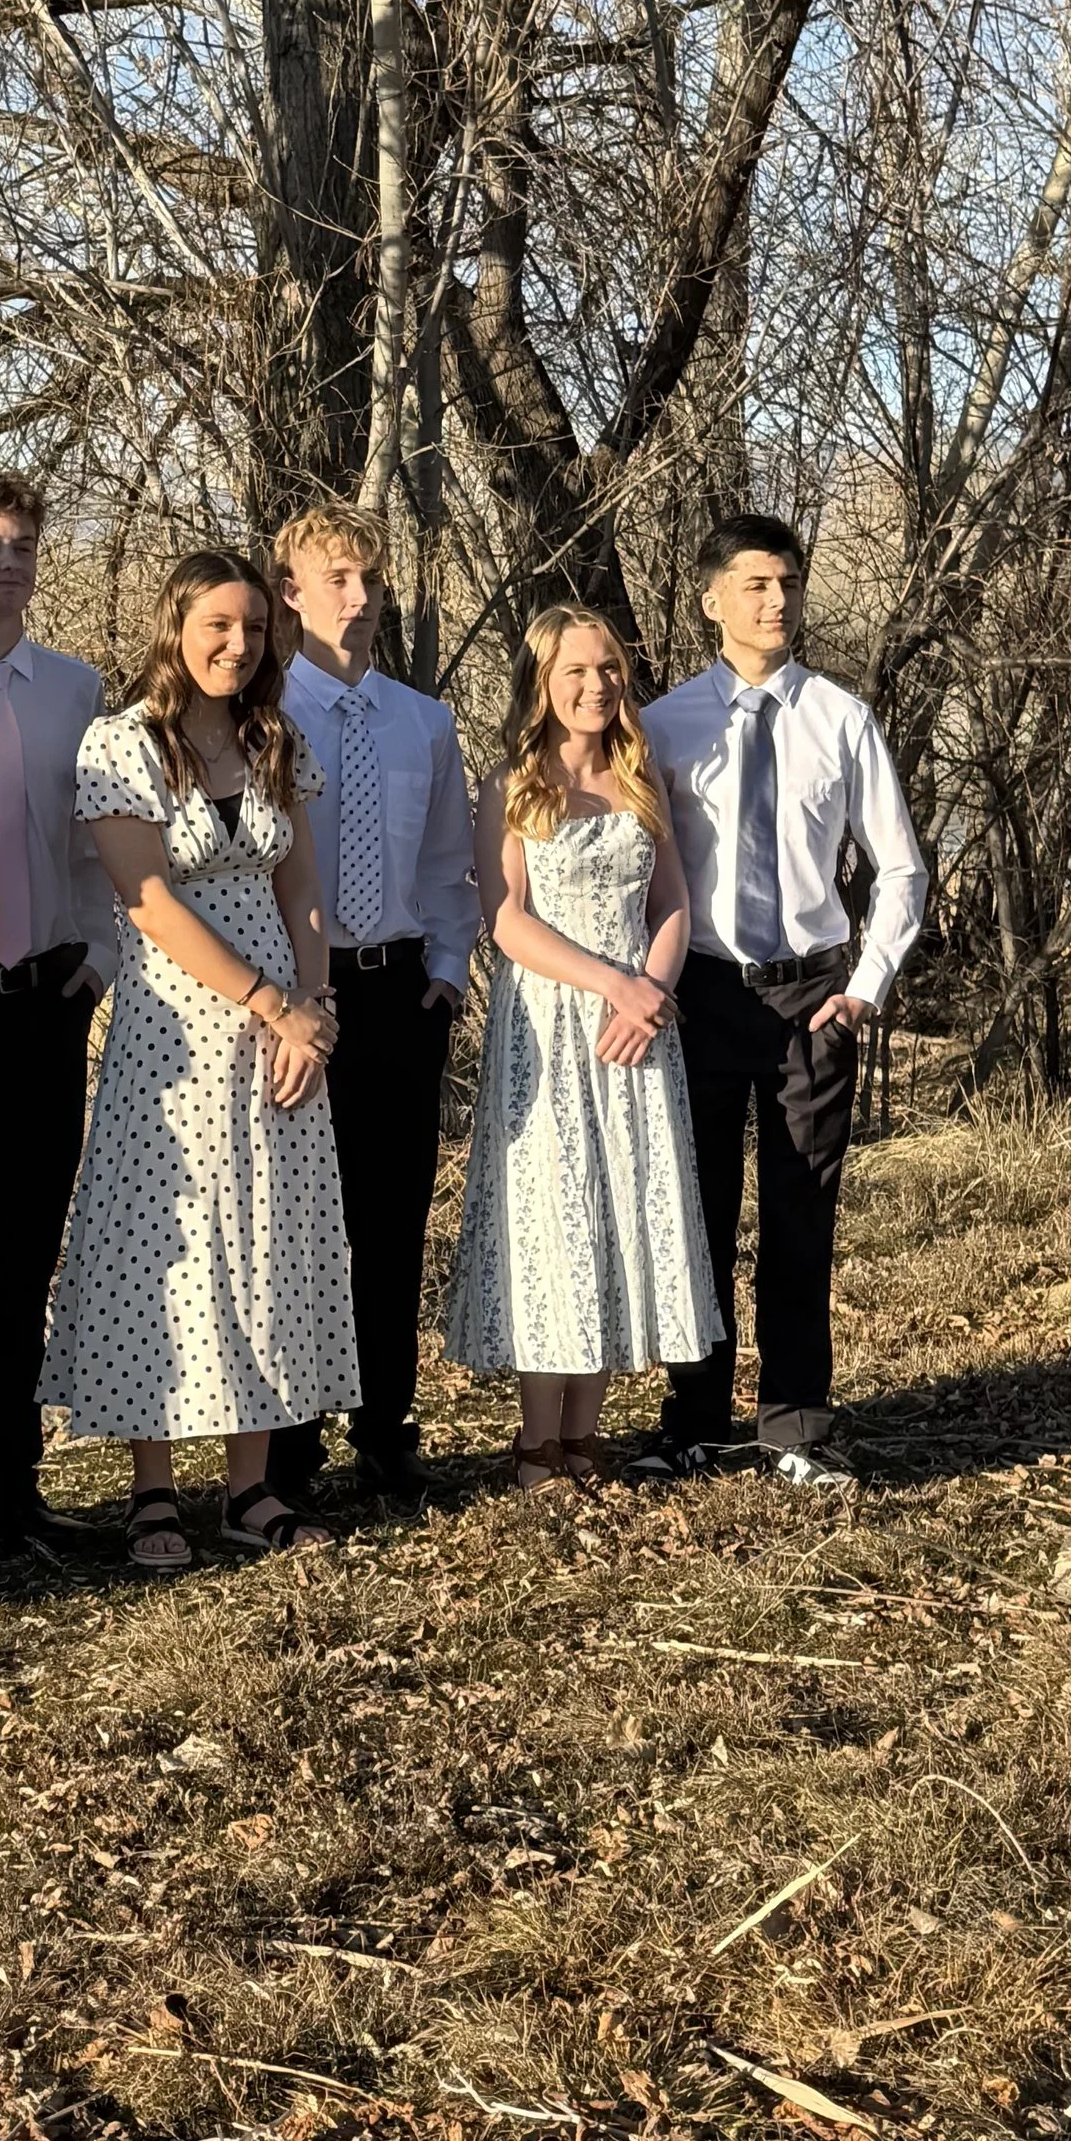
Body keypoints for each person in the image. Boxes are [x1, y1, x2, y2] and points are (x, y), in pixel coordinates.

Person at [39, 550, 359, 1567]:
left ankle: (250, 1486)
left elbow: (301, 882)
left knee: (268, 1238)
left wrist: (309, 1005)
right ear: (176, 626)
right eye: (217, 624)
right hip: (176, 1034)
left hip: (283, 1033)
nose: (236, 645)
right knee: (166, 1246)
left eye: (254, 630)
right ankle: (151, 1492)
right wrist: (265, 1001)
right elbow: (149, 899)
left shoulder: (274, 740)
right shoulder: (119, 743)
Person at [634, 514, 928, 1486]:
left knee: (801, 1218)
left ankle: (796, 1429)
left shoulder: (841, 719)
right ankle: (695, 1423)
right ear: (711, 596)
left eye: (789, 584)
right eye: (755, 584)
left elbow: (900, 868)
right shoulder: (664, 727)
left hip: (813, 993)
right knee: (702, 1220)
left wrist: (864, 987)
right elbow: (633, 868)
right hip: (705, 992)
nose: (776, 601)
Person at [445, 606, 722, 1485]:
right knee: (551, 1219)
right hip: (551, 1029)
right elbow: (506, 921)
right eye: (576, 671)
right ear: (542, 681)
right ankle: (536, 1440)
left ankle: (584, 1435)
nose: (596, 685)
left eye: (608, 668)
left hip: (637, 1029)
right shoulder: (514, 785)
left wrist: (652, 993)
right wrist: (612, 983)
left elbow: (673, 902)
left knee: (618, 1213)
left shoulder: (642, 778)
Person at [265, 502, 479, 1513]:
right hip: (300, 998)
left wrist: (445, 968)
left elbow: (446, 861)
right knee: (301, 1220)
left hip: (399, 991)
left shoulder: (421, 721)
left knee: (391, 1222)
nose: (355, 598)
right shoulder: (262, 714)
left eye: (369, 580)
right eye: (335, 578)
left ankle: (386, 1430)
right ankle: (289, 1441)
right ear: (290, 593)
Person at [0, 470, 116, 1552]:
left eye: (23, 546)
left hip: (45, 999)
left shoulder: (77, 692)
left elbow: (99, 845)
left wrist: (93, 958)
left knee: (25, 1246)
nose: (6, 563)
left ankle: (14, 1487)